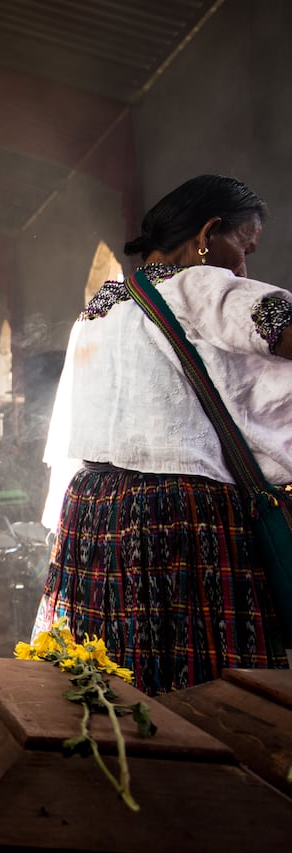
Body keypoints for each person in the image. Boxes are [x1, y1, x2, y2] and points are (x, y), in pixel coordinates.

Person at [37, 175, 292, 693]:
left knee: (110, 679)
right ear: (207, 234)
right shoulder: (199, 284)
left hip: (92, 515)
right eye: (242, 248)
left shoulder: (98, 311)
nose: (244, 268)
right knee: (202, 688)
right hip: (181, 519)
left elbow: (67, 427)